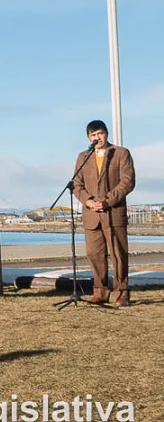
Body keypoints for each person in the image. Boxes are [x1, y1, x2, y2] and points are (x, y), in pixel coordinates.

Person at [72, 120, 136, 307]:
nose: (97, 138)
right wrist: (88, 201)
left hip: (113, 213)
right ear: (88, 138)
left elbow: (127, 182)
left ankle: (122, 292)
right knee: (94, 254)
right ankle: (100, 291)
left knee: (118, 254)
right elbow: (77, 184)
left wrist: (106, 201)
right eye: (93, 135)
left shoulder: (121, 153)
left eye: (100, 133)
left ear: (106, 134)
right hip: (91, 215)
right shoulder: (83, 157)